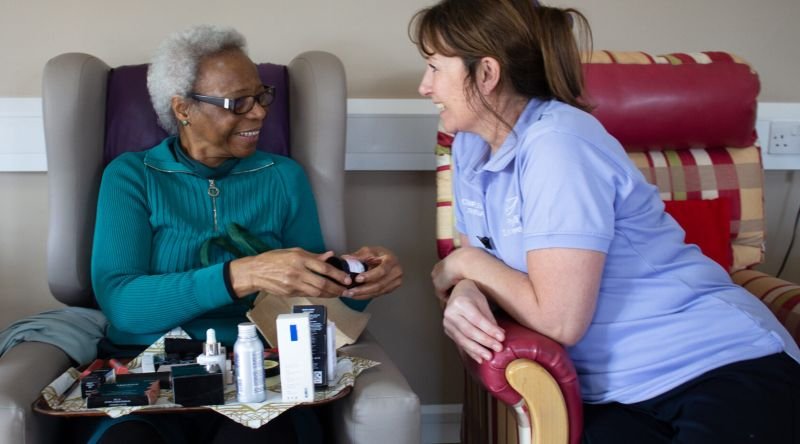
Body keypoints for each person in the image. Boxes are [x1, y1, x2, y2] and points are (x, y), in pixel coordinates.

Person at [410, 0, 800, 442]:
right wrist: (465, 286)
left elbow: (559, 321)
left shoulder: (558, 144)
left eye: (434, 67)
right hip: (617, 389)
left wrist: (463, 265)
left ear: (486, 74)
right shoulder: (470, 148)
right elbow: (489, 255)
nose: (425, 87)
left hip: (717, 364)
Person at [83, 24, 403, 443]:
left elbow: (309, 304)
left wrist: (363, 278)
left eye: (261, 96)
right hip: (147, 370)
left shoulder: (283, 177)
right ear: (183, 109)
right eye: (237, 102)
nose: (258, 113)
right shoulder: (131, 177)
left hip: (261, 371)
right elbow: (123, 305)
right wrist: (242, 275)